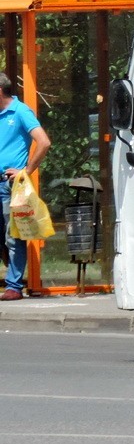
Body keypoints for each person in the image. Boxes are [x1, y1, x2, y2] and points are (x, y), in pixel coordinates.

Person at [0, 72, 51, 301]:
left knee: (14, 235)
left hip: (9, 185)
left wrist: (26, 171)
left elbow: (44, 141)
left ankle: (13, 286)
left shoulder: (20, 111)